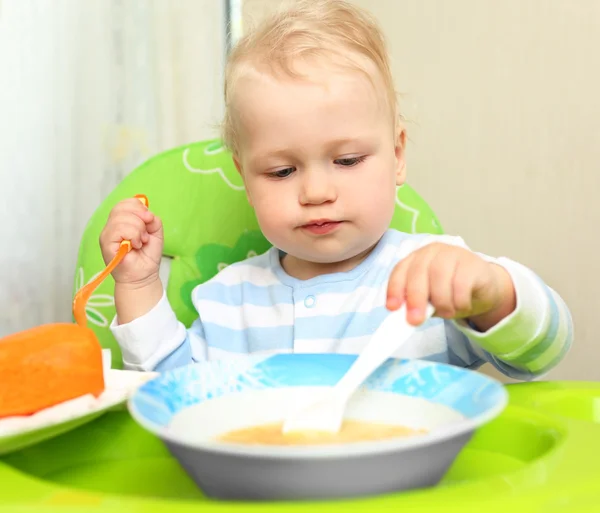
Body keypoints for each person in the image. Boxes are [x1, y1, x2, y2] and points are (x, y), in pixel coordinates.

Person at [99, 0, 572, 379]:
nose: (317, 191)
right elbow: (168, 389)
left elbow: (542, 353)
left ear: (398, 155)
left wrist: (493, 294)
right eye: (282, 172)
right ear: (244, 177)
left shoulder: (435, 277)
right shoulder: (229, 299)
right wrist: (138, 283)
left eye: (347, 161)